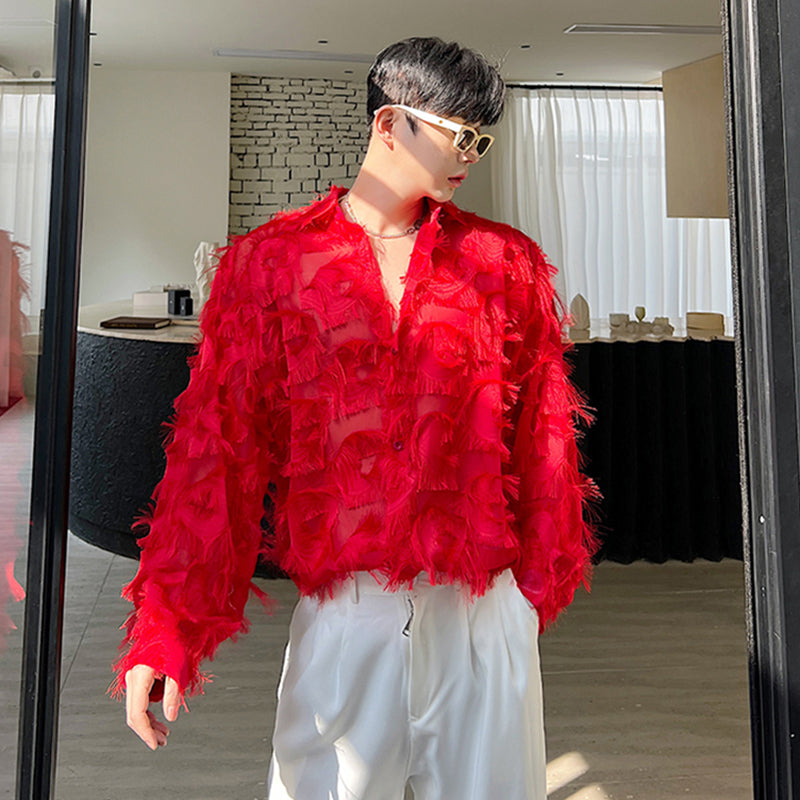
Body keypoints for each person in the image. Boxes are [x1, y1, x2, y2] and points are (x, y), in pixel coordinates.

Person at [112, 36, 597, 800]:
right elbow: (217, 453)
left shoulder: (504, 265)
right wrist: (167, 630)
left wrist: (527, 594)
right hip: (347, 612)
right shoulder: (271, 265)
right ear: (388, 123)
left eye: (482, 139)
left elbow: (545, 439)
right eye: (459, 133)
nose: (470, 155)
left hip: (481, 613)